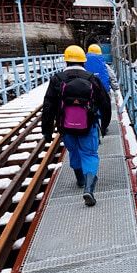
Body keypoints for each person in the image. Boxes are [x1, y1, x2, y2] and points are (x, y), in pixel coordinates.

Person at [42, 45, 111, 206]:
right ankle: (89, 188)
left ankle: (80, 179)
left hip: (66, 127)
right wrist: (105, 124)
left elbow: (48, 106)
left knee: (74, 152)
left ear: (66, 60)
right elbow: (105, 103)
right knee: (89, 154)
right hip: (88, 125)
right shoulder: (92, 78)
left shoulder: (57, 79)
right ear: (83, 61)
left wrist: (46, 130)